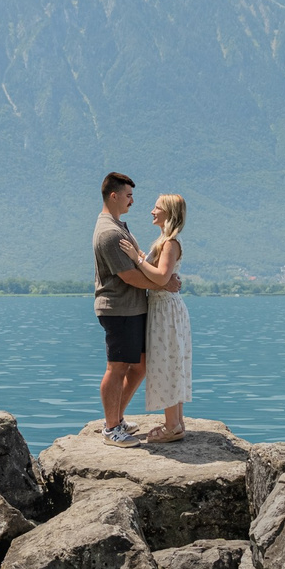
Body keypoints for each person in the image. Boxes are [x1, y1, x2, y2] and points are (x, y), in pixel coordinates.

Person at [92, 172, 173, 446]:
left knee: (139, 366)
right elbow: (128, 276)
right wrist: (164, 284)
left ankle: (117, 418)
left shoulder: (118, 226)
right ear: (113, 196)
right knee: (116, 367)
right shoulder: (109, 233)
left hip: (132, 308)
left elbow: (136, 269)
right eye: (128, 195)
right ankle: (111, 428)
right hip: (118, 308)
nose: (133, 201)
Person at [136, 194, 192, 443]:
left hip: (165, 310)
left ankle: (172, 426)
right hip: (165, 308)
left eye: (156, 207)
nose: (152, 211)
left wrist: (136, 259)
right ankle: (177, 422)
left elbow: (160, 278)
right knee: (171, 361)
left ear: (168, 213)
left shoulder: (170, 243)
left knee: (167, 362)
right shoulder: (165, 241)